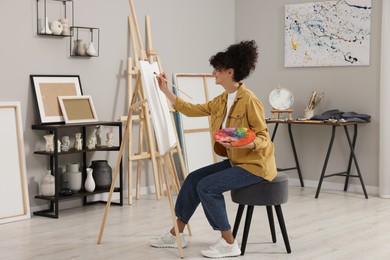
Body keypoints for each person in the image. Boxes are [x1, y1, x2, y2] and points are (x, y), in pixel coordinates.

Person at [150, 40, 277, 258]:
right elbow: (192, 110)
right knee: (192, 179)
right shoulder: (221, 100)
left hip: (255, 166)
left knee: (207, 186)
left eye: (217, 70)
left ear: (230, 71)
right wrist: (165, 91)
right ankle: (176, 234)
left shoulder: (250, 101)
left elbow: (264, 137)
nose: (213, 73)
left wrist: (246, 143)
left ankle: (229, 243)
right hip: (237, 161)